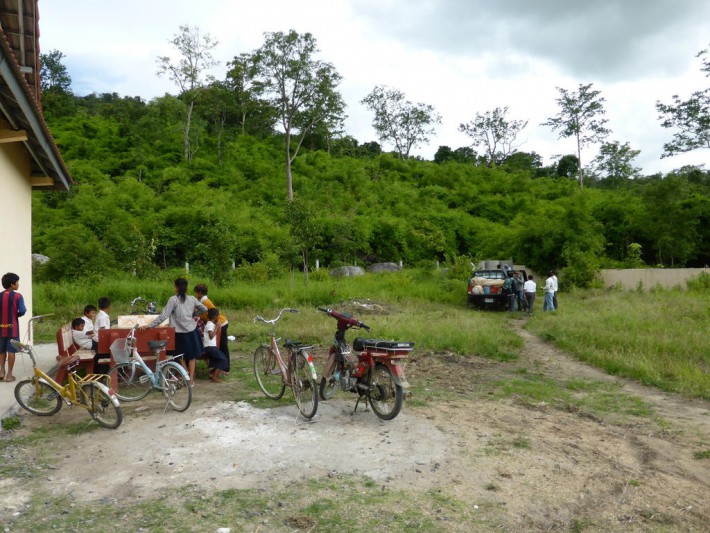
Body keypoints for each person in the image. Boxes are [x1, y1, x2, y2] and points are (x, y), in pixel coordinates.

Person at [142, 278, 207, 385]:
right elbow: (204, 309)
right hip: (191, 330)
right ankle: (190, 379)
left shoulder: (173, 299)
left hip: (179, 332)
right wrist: (193, 314)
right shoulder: (192, 299)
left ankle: (185, 374)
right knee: (192, 356)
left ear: (176, 288)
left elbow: (164, 315)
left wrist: (150, 326)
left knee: (180, 355)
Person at [193, 283, 231, 373]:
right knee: (217, 346)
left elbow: (215, 313)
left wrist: (218, 326)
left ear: (200, 293)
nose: (196, 295)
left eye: (196, 293)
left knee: (222, 346)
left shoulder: (205, 302)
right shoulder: (204, 301)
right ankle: (218, 367)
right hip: (217, 324)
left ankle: (226, 368)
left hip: (221, 323)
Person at [0, 272, 27, 382]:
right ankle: (9, 375)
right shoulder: (17, 296)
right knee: (11, 350)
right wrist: (16, 315)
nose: (18, 284)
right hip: (13, 329)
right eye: (17, 282)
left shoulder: (0, 295)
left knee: (1, 350)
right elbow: (22, 310)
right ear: (12, 284)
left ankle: (1, 371)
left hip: (0, 328)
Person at [203, 307, 228, 383]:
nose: (218, 317)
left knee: (216, 359)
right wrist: (217, 328)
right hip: (210, 347)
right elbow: (211, 336)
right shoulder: (210, 324)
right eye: (218, 316)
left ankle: (212, 374)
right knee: (223, 359)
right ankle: (214, 376)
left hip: (210, 347)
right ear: (215, 316)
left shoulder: (210, 324)